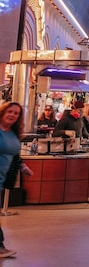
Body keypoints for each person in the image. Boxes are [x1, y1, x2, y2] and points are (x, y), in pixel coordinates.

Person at [0, 102, 34, 258]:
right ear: (3, 111)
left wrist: (23, 167)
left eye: (16, 113)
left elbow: (14, 155)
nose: (12, 115)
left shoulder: (13, 133)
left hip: (2, 179)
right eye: (10, 111)